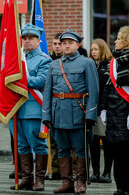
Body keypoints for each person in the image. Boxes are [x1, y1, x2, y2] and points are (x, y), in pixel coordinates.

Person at [42, 28, 99, 194]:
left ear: (77, 44)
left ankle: (80, 182)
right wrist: (46, 115)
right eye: (64, 43)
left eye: (70, 43)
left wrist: (90, 115)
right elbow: (47, 92)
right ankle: (67, 182)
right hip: (57, 113)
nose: (66, 46)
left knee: (81, 149)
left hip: (78, 113)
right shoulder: (53, 64)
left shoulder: (87, 63)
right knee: (62, 148)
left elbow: (94, 92)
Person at [9, 23, 52, 191]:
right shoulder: (17, 57)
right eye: (24, 38)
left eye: (31, 38)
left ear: (38, 40)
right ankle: (26, 178)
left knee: (38, 144)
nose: (27, 41)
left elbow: (41, 81)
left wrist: (18, 78)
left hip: (33, 108)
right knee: (21, 145)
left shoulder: (44, 59)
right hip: (16, 108)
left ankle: (39, 179)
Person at [100, 26, 129, 195]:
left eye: (119, 38)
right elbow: (107, 88)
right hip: (113, 114)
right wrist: (103, 110)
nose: (115, 41)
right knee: (117, 154)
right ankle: (120, 188)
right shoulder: (113, 62)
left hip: (125, 114)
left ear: (126, 42)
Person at [89, 39, 113, 184]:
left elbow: (106, 90)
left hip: (103, 110)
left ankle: (107, 173)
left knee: (107, 142)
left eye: (96, 49)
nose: (93, 52)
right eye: (92, 49)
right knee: (93, 143)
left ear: (102, 49)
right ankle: (96, 172)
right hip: (92, 109)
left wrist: (103, 109)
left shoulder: (109, 66)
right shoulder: (92, 65)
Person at [45, 33, 63, 181]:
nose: (57, 46)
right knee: (53, 140)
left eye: (59, 43)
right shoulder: (48, 60)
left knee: (68, 142)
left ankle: (71, 170)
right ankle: (55, 169)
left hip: (65, 104)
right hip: (51, 104)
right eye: (54, 44)